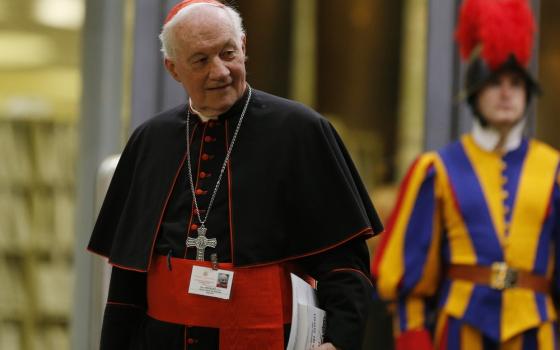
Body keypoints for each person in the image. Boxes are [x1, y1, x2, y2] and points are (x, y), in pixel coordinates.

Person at [87, 1, 383, 349]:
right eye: (200, 60)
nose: (221, 71)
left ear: (243, 46)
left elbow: (345, 262)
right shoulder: (151, 140)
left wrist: (339, 341)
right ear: (173, 68)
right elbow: (127, 280)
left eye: (228, 53)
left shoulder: (301, 131)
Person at [372, 0, 560, 349]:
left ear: (527, 93)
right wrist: (413, 338)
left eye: (516, 83)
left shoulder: (554, 169)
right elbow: (406, 277)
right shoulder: (437, 169)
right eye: (494, 82)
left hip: (538, 332)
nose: (506, 92)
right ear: (475, 92)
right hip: (460, 331)